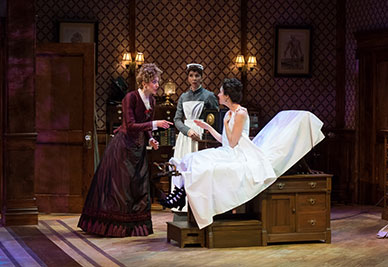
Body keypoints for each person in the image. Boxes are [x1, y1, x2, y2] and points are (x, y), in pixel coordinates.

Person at [160, 78, 325, 229]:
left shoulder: (240, 113)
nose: (218, 95)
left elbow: (232, 142)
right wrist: (208, 128)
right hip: (229, 150)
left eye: (221, 92)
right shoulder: (231, 113)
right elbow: (225, 140)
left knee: (202, 164)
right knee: (191, 158)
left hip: (238, 154)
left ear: (228, 96)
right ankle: (179, 195)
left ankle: (182, 198)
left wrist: (224, 123)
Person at [78, 63, 173, 237]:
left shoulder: (151, 100)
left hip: (138, 150)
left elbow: (145, 127)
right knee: (120, 189)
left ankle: (134, 226)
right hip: (122, 148)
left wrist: (151, 138)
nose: (157, 85)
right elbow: (130, 125)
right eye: (154, 81)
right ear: (144, 82)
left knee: (137, 187)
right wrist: (154, 124)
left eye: (157, 81)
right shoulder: (131, 97)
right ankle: (116, 227)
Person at [169, 63, 218, 212]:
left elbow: (214, 117)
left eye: (197, 75)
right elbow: (177, 119)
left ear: (202, 77)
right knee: (183, 167)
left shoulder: (208, 95)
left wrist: (206, 134)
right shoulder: (183, 97)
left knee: (199, 168)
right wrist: (187, 130)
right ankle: (181, 203)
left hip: (201, 135)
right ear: (188, 77)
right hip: (186, 135)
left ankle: (199, 204)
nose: (194, 78)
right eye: (191, 75)